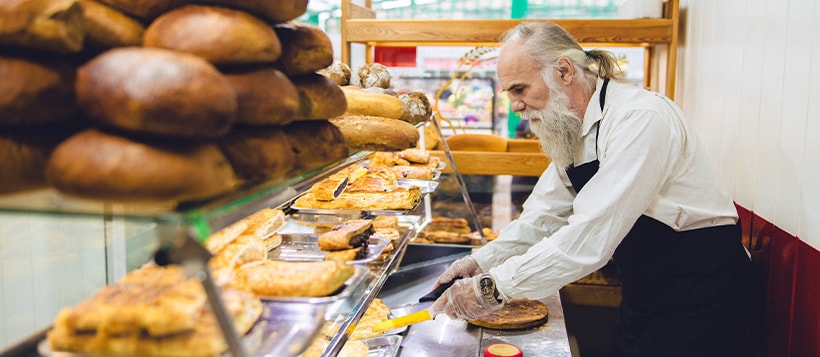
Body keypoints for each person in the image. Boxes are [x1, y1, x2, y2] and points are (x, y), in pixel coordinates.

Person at [429, 21, 763, 356]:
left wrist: (492, 288)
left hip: (704, 297)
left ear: (563, 71)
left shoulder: (640, 118)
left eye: (520, 89)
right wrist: (481, 262)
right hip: (646, 295)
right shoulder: (573, 130)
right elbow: (541, 219)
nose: (515, 105)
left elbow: (590, 236)